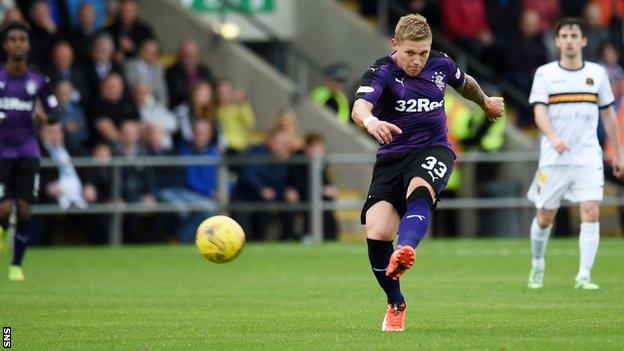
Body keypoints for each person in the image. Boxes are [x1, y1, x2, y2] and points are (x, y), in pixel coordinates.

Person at [352, 14, 504, 332]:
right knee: (377, 233)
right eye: (410, 53)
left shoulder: (441, 64)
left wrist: (485, 102)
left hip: (434, 149)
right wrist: (372, 122)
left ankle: (406, 248)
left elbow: (467, 85)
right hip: (392, 158)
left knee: (420, 189)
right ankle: (396, 304)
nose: (417, 60)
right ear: (395, 45)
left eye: (423, 52)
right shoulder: (381, 72)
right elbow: (359, 107)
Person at [526, 17, 624, 290]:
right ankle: (537, 263)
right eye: (564, 36)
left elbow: (609, 115)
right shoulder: (546, 74)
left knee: (591, 210)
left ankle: (584, 275)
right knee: (545, 217)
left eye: (574, 35)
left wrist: (618, 152)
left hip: (587, 158)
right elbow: (539, 111)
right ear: (557, 41)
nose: (569, 40)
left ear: (583, 40)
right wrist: (554, 137)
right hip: (554, 159)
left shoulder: (597, 74)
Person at [0, 22, 59, 281]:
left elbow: (55, 112)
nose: (17, 43)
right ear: (5, 45)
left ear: (28, 44)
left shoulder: (38, 81)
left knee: (23, 209)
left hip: (28, 149)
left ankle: (16, 266)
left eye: (21, 39)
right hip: (2, 151)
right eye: (12, 39)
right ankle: (2, 229)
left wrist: (45, 115)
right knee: (3, 209)